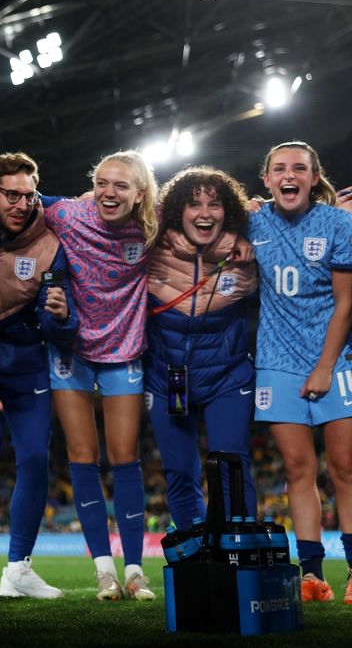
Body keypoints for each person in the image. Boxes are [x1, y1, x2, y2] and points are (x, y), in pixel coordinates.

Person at [0, 152, 75, 600]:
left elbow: (63, 323)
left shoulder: (51, 240)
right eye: (12, 195)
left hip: (26, 360)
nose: (23, 204)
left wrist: (60, 319)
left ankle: (19, 568)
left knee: (35, 458)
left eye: (30, 195)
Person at [43, 150, 159, 601]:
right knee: (82, 455)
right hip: (71, 350)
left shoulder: (154, 223)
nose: (109, 193)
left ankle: (135, 570)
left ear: (140, 194)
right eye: (102, 183)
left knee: (125, 456)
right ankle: (103, 571)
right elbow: (24, 199)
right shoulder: (69, 213)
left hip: (124, 350)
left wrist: (248, 210)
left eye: (121, 185)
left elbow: (202, 212)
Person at [249, 141, 352, 604]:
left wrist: (326, 368)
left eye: (299, 169)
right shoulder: (252, 224)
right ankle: (311, 575)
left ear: (313, 177)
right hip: (277, 362)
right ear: (267, 179)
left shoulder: (338, 224)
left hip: (336, 360)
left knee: (346, 468)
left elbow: (347, 303)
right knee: (297, 468)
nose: (289, 176)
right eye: (279, 169)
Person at [146, 166, 257, 529]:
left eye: (215, 204)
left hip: (228, 378)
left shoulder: (248, 254)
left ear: (230, 211)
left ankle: (237, 553)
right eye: (194, 205)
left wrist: (250, 222)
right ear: (177, 210)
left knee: (232, 466)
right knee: (179, 471)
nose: (205, 213)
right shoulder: (152, 246)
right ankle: (194, 558)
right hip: (167, 381)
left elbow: (284, 210)